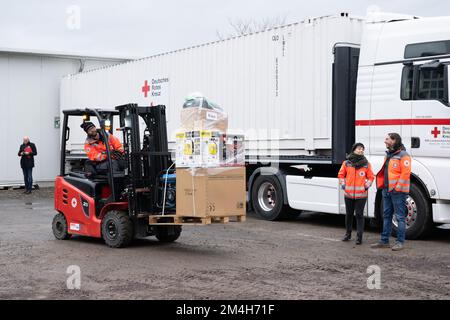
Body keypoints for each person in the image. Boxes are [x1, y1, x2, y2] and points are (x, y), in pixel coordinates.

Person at [371, 133, 411, 251]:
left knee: (399, 217)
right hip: (387, 189)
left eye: (387, 139)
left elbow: (405, 173)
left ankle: (400, 242)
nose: (385, 141)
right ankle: (384, 241)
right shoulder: (389, 154)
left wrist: (397, 187)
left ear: (394, 140)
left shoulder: (403, 155)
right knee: (387, 215)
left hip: (397, 191)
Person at [338, 143, 374, 245]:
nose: (361, 150)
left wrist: (366, 186)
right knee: (349, 215)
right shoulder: (346, 163)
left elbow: (371, 177)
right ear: (354, 150)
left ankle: (359, 237)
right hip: (348, 194)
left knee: (359, 215)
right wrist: (343, 184)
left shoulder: (366, 164)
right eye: (359, 148)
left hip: (361, 195)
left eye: (362, 149)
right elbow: (341, 175)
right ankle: (348, 234)